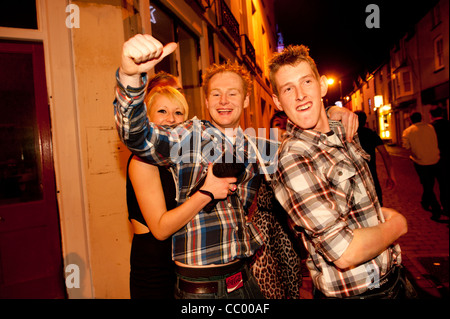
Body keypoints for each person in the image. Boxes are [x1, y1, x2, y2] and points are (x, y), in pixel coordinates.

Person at [114, 34, 358, 299]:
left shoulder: (258, 146)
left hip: (245, 279)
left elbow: (309, 143)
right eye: (216, 94)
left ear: (245, 101)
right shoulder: (187, 138)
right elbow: (136, 136)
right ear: (206, 102)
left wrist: (332, 114)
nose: (223, 101)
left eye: (233, 94)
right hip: (201, 287)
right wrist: (130, 77)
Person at [269, 44, 409, 299]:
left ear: (322, 85)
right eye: (288, 89)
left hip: (393, 280)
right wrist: (397, 225)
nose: (300, 95)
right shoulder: (293, 158)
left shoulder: (342, 131)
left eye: (306, 82)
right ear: (278, 101)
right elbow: (344, 252)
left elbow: (354, 204)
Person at [127, 85, 234, 298]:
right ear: (147, 118)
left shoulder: (180, 158)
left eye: (178, 113)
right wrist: (207, 193)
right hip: (155, 272)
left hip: (182, 266)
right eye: (162, 111)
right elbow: (160, 229)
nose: (171, 119)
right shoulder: (143, 160)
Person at [402, 112, 444, 221]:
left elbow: (406, 146)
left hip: (421, 162)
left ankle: (436, 209)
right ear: (421, 118)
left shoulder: (408, 131)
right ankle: (425, 202)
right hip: (436, 159)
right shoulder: (430, 127)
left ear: (411, 120)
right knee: (436, 183)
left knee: (427, 185)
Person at [354, 110, 396, 206]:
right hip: (371, 175)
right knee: (377, 205)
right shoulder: (371, 134)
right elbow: (385, 154)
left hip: (354, 177)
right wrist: (391, 175)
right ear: (365, 121)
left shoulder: (348, 135)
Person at [429, 105, 449, 216]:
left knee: (442, 183)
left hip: (437, 158)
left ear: (431, 115)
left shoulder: (430, 127)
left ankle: (444, 206)